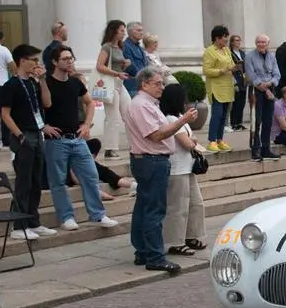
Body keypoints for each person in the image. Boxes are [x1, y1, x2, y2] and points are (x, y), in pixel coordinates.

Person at [124, 66, 198, 273]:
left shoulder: (148, 104)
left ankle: (143, 251)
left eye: (162, 83)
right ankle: (155, 256)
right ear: (144, 84)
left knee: (144, 207)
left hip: (150, 160)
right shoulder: (141, 105)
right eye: (157, 83)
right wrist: (182, 120)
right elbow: (156, 135)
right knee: (154, 210)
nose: (162, 87)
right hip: (151, 160)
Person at [43, 45, 117, 231]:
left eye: (71, 58)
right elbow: (40, 107)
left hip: (76, 138)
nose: (69, 61)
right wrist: (43, 126)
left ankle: (98, 215)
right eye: (65, 59)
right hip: (56, 141)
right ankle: (66, 217)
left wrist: (86, 124)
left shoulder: (75, 83)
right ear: (54, 62)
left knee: (91, 176)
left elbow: (89, 102)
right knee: (58, 181)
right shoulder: (47, 83)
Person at [0, 44, 55, 240]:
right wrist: (19, 135)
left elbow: (47, 103)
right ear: (22, 61)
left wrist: (42, 81)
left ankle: (33, 221)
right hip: (23, 135)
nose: (36, 64)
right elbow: (5, 114)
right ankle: (18, 225)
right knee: (23, 181)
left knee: (36, 180)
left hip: (37, 133)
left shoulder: (33, 83)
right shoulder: (11, 85)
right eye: (33, 60)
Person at [159, 83, 207, 257]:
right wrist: (191, 140)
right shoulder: (172, 120)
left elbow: (191, 138)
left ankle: (192, 235)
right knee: (178, 207)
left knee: (196, 203)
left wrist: (190, 139)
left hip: (188, 167)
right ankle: (175, 242)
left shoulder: (180, 118)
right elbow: (187, 143)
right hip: (177, 169)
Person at [96, 20, 133, 159]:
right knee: (112, 117)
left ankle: (135, 144)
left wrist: (124, 65)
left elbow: (117, 66)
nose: (124, 33)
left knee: (129, 113)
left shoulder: (119, 47)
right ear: (114, 31)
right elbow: (99, 66)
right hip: (110, 83)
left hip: (119, 83)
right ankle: (110, 149)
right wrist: (117, 73)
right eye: (121, 30)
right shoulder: (107, 47)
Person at [244, 33, 281, 162]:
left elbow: (277, 74)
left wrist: (270, 84)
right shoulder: (249, 56)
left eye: (263, 42)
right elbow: (250, 74)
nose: (260, 44)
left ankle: (266, 148)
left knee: (268, 121)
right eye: (258, 42)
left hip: (269, 88)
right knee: (256, 120)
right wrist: (264, 88)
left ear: (267, 44)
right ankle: (255, 149)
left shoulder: (272, 56)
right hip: (256, 90)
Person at [202, 25, 235, 153]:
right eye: (224, 38)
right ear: (217, 38)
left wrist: (235, 67)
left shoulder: (226, 50)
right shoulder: (210, 51)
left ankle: (220, 139)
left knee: (224, 116)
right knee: (217, 114)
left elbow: (231, 63)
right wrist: (222, 70)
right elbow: (206, 70)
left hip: (227, 86)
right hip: (216, 87)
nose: (226, 41)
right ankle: (212, 141)